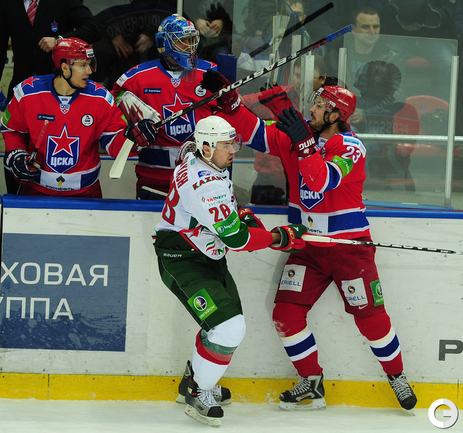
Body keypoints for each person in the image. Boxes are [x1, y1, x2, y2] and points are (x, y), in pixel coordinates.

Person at [201, 70, 418, 412]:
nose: (311, 109)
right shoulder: (298, 136)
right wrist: (231, 106)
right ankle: (311, 384)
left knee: (370, 317)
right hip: (308, 248)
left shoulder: (350, 147)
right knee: (285, 314)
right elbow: (254, 132)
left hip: (349, 250)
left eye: (318, 106)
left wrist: (303, 144)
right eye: (313, 103)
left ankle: (397, 376)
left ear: (335, 115)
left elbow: (320, 181)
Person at [153, 115, 307, 427]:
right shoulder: (205, 186)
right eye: (226, 145)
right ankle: (199, 392)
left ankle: (194, 380)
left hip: (206, 254)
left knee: (222, 326)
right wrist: (279, 237)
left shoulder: (199, 158)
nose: (233, 150)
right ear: (207, 148)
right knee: (228, 328)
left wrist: (240, 213)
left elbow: (223, 208)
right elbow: (237, 239)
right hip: (182, 258)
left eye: (233, 143)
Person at [1, 37, 156, 197]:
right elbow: (12, 129)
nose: (89, 71)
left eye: (90, 64)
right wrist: (17, 154)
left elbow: (114, 143)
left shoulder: (101, 98)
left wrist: (134, 139)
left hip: (87, 194)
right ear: (64, 68)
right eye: (83, 65)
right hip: (36, 192)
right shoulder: (28, 92)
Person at [112, 13, 240, 198]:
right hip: (154, 177)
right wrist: (132, 128)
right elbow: (114, 106)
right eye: (182, 40)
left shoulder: (212, 74)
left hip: (203, 175)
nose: (190, 46)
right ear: (165, 43)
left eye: (192, 39)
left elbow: (233, 114)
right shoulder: (136, 78)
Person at [0, 0, 102, 101]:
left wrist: (60, 40)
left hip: (59, 86)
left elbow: (94, 29)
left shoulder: (63, 2)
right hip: (21, 86)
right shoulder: (7, 3)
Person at [351, 60, 420, 188]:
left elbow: (389, 111)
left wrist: (366, 114)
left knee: (362, 146)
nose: (364, 84)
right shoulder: (357, 102)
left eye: (371, 81)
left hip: (383, 140)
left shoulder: (396, 106)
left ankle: (360, 186)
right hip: (364, 138)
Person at [91, 0, 177, 90]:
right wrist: (113, 33)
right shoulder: (116, 11)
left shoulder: (168, 10)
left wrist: (153, 34)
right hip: (120, 75)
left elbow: (183, 25)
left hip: (159, 76)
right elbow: (90, 25)